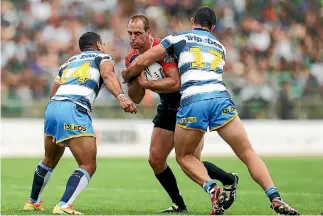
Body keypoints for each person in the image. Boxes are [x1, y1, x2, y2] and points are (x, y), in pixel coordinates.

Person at [122, 8, 300, 215]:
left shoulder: (178, 37)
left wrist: (128, 75)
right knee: (247, 152)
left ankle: (213, 188)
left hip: (192, 100)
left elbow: (143, 61)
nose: (133, 38)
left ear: (191, 21)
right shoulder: (220, 46)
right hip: (220, 97)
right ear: (213, 27)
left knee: (185, 158)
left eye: (137, 33)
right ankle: (275, 197)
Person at [124, 14, 239, 213]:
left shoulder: (163, 49)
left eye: (138, 33)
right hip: (167, 105)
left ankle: (228, 180)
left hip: (187, 102)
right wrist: (134, 76)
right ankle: (180, 205)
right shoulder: (131, 58)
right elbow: (136, 97)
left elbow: (174, 82)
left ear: (149, 33)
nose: (133, 38)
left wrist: (146, 82)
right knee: (155, 159)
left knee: (190, 161)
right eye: (130, 33)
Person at [23, 32, 137, 215]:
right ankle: (64, 205)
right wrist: (121, 96)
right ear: (99, 44)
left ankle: (33, 202)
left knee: (49, 160)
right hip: (74, 107)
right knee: (88, 164)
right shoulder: (103, 57)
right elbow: (108, 77)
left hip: (53, 107)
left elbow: (53, 92)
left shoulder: (68, 62)